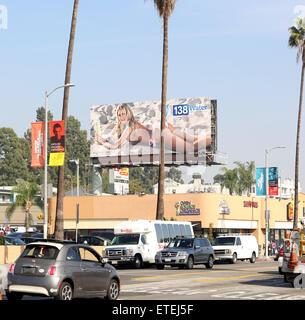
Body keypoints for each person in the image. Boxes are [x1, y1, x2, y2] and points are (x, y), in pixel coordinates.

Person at [95, 103, 211, 153]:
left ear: (128, 113)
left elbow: (115, 146)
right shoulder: (130, 124)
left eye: (123, 114)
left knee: (192, 148)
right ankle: (211, 139)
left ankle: (211, 140)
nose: (121, 117)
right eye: (119, 115)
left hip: (159, 135)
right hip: (160, 129)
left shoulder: (129, 126)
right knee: (193, 139)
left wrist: (101, 142)